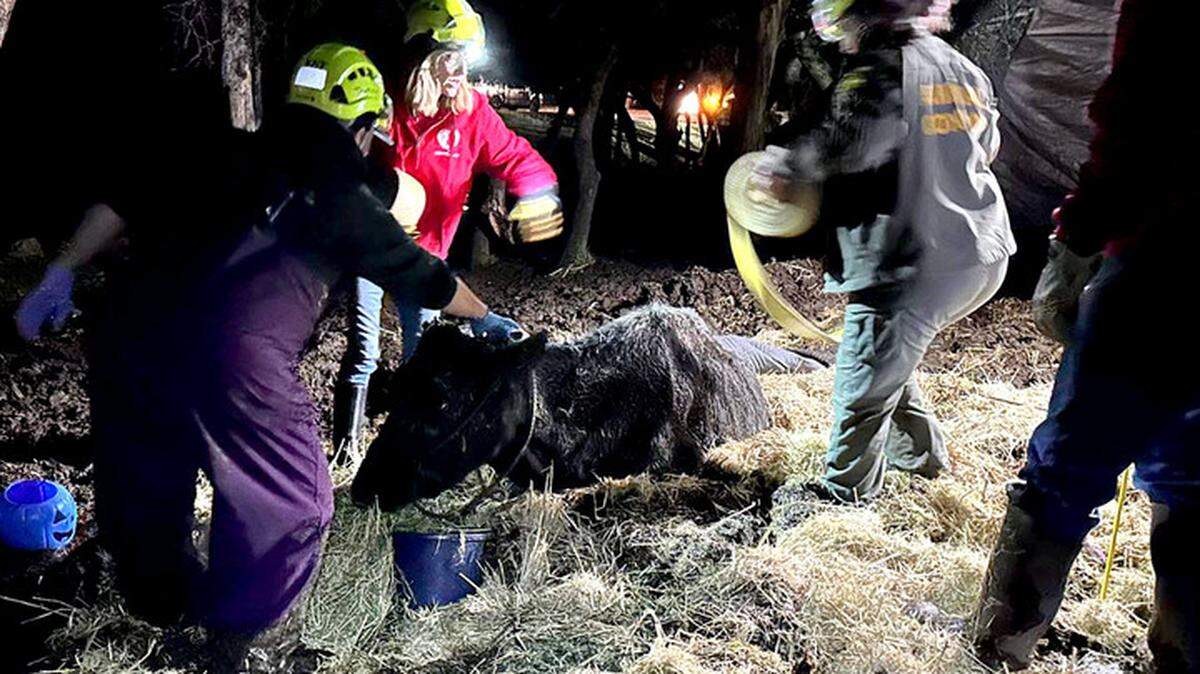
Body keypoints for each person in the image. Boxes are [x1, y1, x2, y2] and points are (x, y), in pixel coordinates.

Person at [16, 43, 495, 670]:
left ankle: (160, 611)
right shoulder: (345, 193)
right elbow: (425, 279)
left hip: (127, 338)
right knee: (295, 502)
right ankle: (239, 644)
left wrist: (59, 271)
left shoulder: (220, 149)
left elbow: (124, 195)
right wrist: (488, 317)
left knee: (147, 485)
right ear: (360, 128)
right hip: (231, 354)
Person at [973, 0, 1199, 670]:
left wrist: (1076, 241)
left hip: (1168, 261)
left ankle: (998, 648)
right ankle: (1185, 651)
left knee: (1067, 466)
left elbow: (1137, 116)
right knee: (1192, 475)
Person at [754, 0, 1014, 503]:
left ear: (866, 14)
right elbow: (991, 145)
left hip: (915, 259)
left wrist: (785, 168)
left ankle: (843, 498)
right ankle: (922, 466)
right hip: (980, 250)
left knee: (862, 384)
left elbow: (853, 144)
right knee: (888, 359)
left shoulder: (882, 68)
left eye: (839, 21)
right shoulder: (962, 68)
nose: (838, 34)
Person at [334, 0, 564, 455]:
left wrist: (537, 192)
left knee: (423, 359)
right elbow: (348, 166)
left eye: (464, 60)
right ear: (422, 59)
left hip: (426, 259)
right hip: (373, 250)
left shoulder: (472, 113)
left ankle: (411, 450)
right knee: (364, 352)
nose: (458, 70)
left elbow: (516, 155)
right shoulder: (387, 108)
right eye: (447, 58)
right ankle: (347, 449)